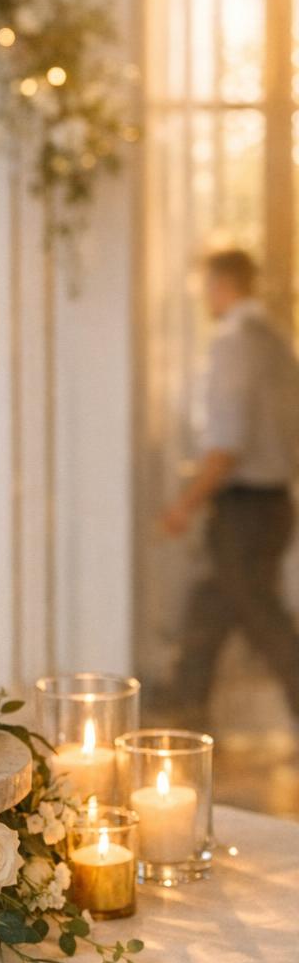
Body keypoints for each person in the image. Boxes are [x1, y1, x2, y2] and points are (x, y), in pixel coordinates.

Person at [161, 248, 299, 723]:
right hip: (276, 501)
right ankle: (186, 704)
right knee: (210, 602)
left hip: (245, 507)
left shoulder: (233, 342)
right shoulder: (277, 341)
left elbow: (227, 442)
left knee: (263, 617)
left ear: (221, 285)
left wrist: (186, 503)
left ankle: (186, 706)